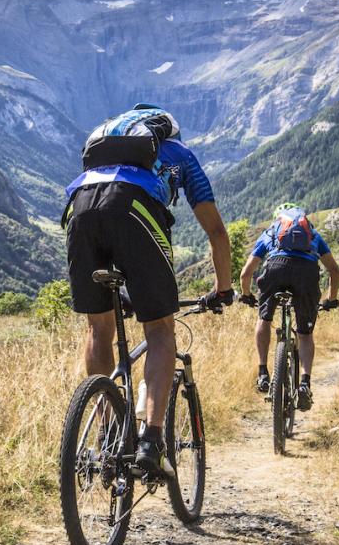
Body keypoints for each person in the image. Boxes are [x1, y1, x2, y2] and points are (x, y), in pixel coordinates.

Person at [63, 103, 234, 479]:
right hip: (134, 209)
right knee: (159, 329)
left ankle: (108, 433)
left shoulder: (104, 148)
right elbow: (217, 233)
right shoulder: (180, 154)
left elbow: (105, 205)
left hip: (80, 209)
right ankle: (150, 443)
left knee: (98, 328)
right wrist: (223, 288)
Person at [238, 203, 339, 411]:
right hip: (306, 274)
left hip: (276, 269)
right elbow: (334, 271)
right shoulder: (313, 235)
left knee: (264, 319)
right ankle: (304, 383)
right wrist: (331, 299)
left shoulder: (271, 233)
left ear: (279, 219)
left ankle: (263, 372)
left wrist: (247, 295)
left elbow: (246, 273)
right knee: (304, 334)